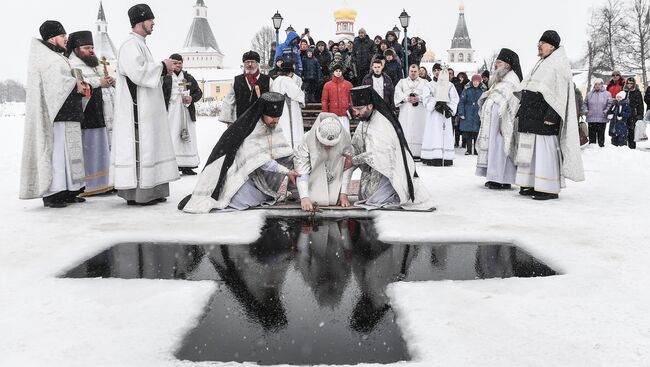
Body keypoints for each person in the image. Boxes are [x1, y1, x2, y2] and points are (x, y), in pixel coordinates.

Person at [179, 92, 299, 213]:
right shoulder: (251, 128)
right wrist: (287, 171)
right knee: (242, 200)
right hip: (239, 170)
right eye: (272, 117)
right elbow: (260, 161)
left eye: (278, 117)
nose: (276, 121)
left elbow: (285, 151)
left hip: (258, 171)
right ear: (262, 113)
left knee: (289, 159)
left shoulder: (273, 125)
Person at [112, 4, 179, 206]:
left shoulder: (140, 44)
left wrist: (160, 67)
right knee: (143, 149)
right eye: (150, 20)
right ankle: (140, 193)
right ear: (140, 21)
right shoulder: (129, 45)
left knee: (152, 147)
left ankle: (154, 190)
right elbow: (138, 73)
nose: (153, 23)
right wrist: (162, 66)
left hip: (147, 110)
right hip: (137, 111)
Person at [20, 21, 88, 208]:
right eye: (62, 36)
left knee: (71, 154)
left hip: (69, 112)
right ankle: (53, 194)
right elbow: (53, 84)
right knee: (58, 155)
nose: (66, 39)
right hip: (56, 115)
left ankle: (69, 190)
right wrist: (75, 84)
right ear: (51, 37)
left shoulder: (57, 56)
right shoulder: (44, 57)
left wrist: (81, 84)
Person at [515, 30, 584, 200]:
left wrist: (552, 115)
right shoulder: (542, 63)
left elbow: (559, 94)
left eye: (542, 43)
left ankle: (548, 187)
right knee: (532, 152)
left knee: (544, 152)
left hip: (544, 117)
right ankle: (531, 183)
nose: (538, 46)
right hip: (532, 115)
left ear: (552, 46)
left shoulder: (558, 64)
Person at [348, 85, 432, 210]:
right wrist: (348, 158)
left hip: (390, 170)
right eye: (355, 110)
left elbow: (380, 154)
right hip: (374, 166)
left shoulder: (382, 122)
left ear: (370, 106)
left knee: (375, 199)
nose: (356, 113)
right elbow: (356, 145)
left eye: (359, 109)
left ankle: (394, 191)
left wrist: (354, 160)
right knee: (365, 195)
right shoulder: (365, 119)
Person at [66, 30, 114, 196]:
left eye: (92, 47)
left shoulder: (95, 65)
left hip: (102, 114)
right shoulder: (72, 64)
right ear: (76, 49)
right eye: (87, 47)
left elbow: (101, 83)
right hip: (86, 116)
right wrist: (98, 83)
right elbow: (77, 85)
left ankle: (105, 183)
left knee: (103, 149)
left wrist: (110, 82)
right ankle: (91, 184)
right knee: (90, 150)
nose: (91, 50)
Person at [475, 48, 523, 190]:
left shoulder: (512, 80)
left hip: (503, 123)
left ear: (507, 65)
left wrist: (504, 120)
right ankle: (494, 177)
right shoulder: (500, 79)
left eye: (499, 62)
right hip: (493, 123)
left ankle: (502, 178)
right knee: (495, 148)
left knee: (501, 148)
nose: (495, 65)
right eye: (496, 62)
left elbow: (512, 103)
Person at [294, 113, 354, 211]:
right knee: (314, 200)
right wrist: (304, 197)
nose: (328, 147)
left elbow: (348, 166)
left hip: (335, 178)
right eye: (324, 143)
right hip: (311, 177)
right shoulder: (307, 139)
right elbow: (301, 169)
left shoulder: (345, 139)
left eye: (331, 145)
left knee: (332, 201)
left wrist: (344, 194)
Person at [163, 53, 203, 175]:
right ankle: (174, 165)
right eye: (175, 63)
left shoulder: (188, 78)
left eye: (180, 63)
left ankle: (187, 165)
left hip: (186, 112)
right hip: (171, 113)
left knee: (188, 138)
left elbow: (199, 92)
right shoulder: (165, 78)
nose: (178, 65)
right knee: (173, 136)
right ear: (170, 63)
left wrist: (191, 98)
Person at [421, 64, 459, 166]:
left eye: (439, 70)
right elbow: (426, 98)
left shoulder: (450, 85)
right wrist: (436, 103)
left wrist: (448, 107)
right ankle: (431, 156)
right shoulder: (429, 85)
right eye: (435, 70)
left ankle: (445, 157)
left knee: (444, 134)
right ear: (433, 72)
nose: (437, 72)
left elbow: (455, 99)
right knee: (433, 134)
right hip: (433, 115)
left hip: (444, 114)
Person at [220, 51, 271, 123]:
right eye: (247, 62)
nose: (250, 64)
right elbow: (229, 101)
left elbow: (273, 101)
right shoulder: (236, 80)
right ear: (244, 64)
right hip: (241, 121)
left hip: (262, 122)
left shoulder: (268, 80)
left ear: (257, 64)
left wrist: (272, 118)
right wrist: (228, 120)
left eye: (253, 62)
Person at [394, 64, 428, 158]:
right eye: (411, 71)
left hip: (420, 112)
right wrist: (406, 98)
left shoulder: (425, 82)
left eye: (415, 71)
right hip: (406, 110)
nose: (413, 73)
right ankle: (406, 152)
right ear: (408, 71)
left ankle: (419, 153)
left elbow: (428, 95)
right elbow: (397, 93)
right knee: (406, 128)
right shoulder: (402, 82)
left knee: (419, 129)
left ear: (418, 72)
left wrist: (419, 98)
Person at [270, 60, 305, 148]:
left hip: (278, 107)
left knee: (283, 127)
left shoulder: (276, 80)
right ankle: (292, 148)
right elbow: (296, 93)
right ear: (289, 72)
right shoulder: (287, 80)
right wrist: (302, 99)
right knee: (292, 129)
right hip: (289, 106)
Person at [321, 64, 353, 131]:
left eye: (339, 71)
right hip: (333, 115)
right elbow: (324, 101)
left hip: (345, 114)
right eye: (336, 71)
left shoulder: (348, 85)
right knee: (335, 133)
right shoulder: (327, 85)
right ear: (333, 72)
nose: (338, 73)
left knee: (345, 133)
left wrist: (351, 111)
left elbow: (352, 100)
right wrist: (326, 114)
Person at [458, 74, 483, 156]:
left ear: (480, 82)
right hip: (468, 112)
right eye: (474, 81)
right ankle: (468, 149)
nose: (476, 83)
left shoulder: (482, 90)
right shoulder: (467, 90)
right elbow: (461, 102)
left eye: (477, 81)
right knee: (468, 133)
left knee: (477, 132)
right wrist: (461, 112)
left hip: (477, 112)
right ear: (472, 81)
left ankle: (476, 149)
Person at [583, 78, 611, 147]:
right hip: (591, 118)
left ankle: (600, 150)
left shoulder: (607, 94)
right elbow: (584, 104)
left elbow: (610, 104)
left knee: (601, 136)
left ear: (602, 85)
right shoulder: (589, 94)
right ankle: (592, 149)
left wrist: (605, 111)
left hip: (602, 118)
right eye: (596, 84)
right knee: (592, 137)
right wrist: (586, 111)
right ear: (594, 85)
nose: (597, 86)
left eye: (599, 84)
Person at [624, 77, 643, 149]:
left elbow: (640, 105)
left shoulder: (637, 92)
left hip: (633, 114)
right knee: (624, 130)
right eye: (628, 83)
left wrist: (640, 115)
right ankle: (623, 146)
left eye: (631, 83)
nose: (629, 85)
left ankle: (632, 147)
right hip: (624, 113)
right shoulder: (623, 91)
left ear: (634, 83)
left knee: (631, 130)